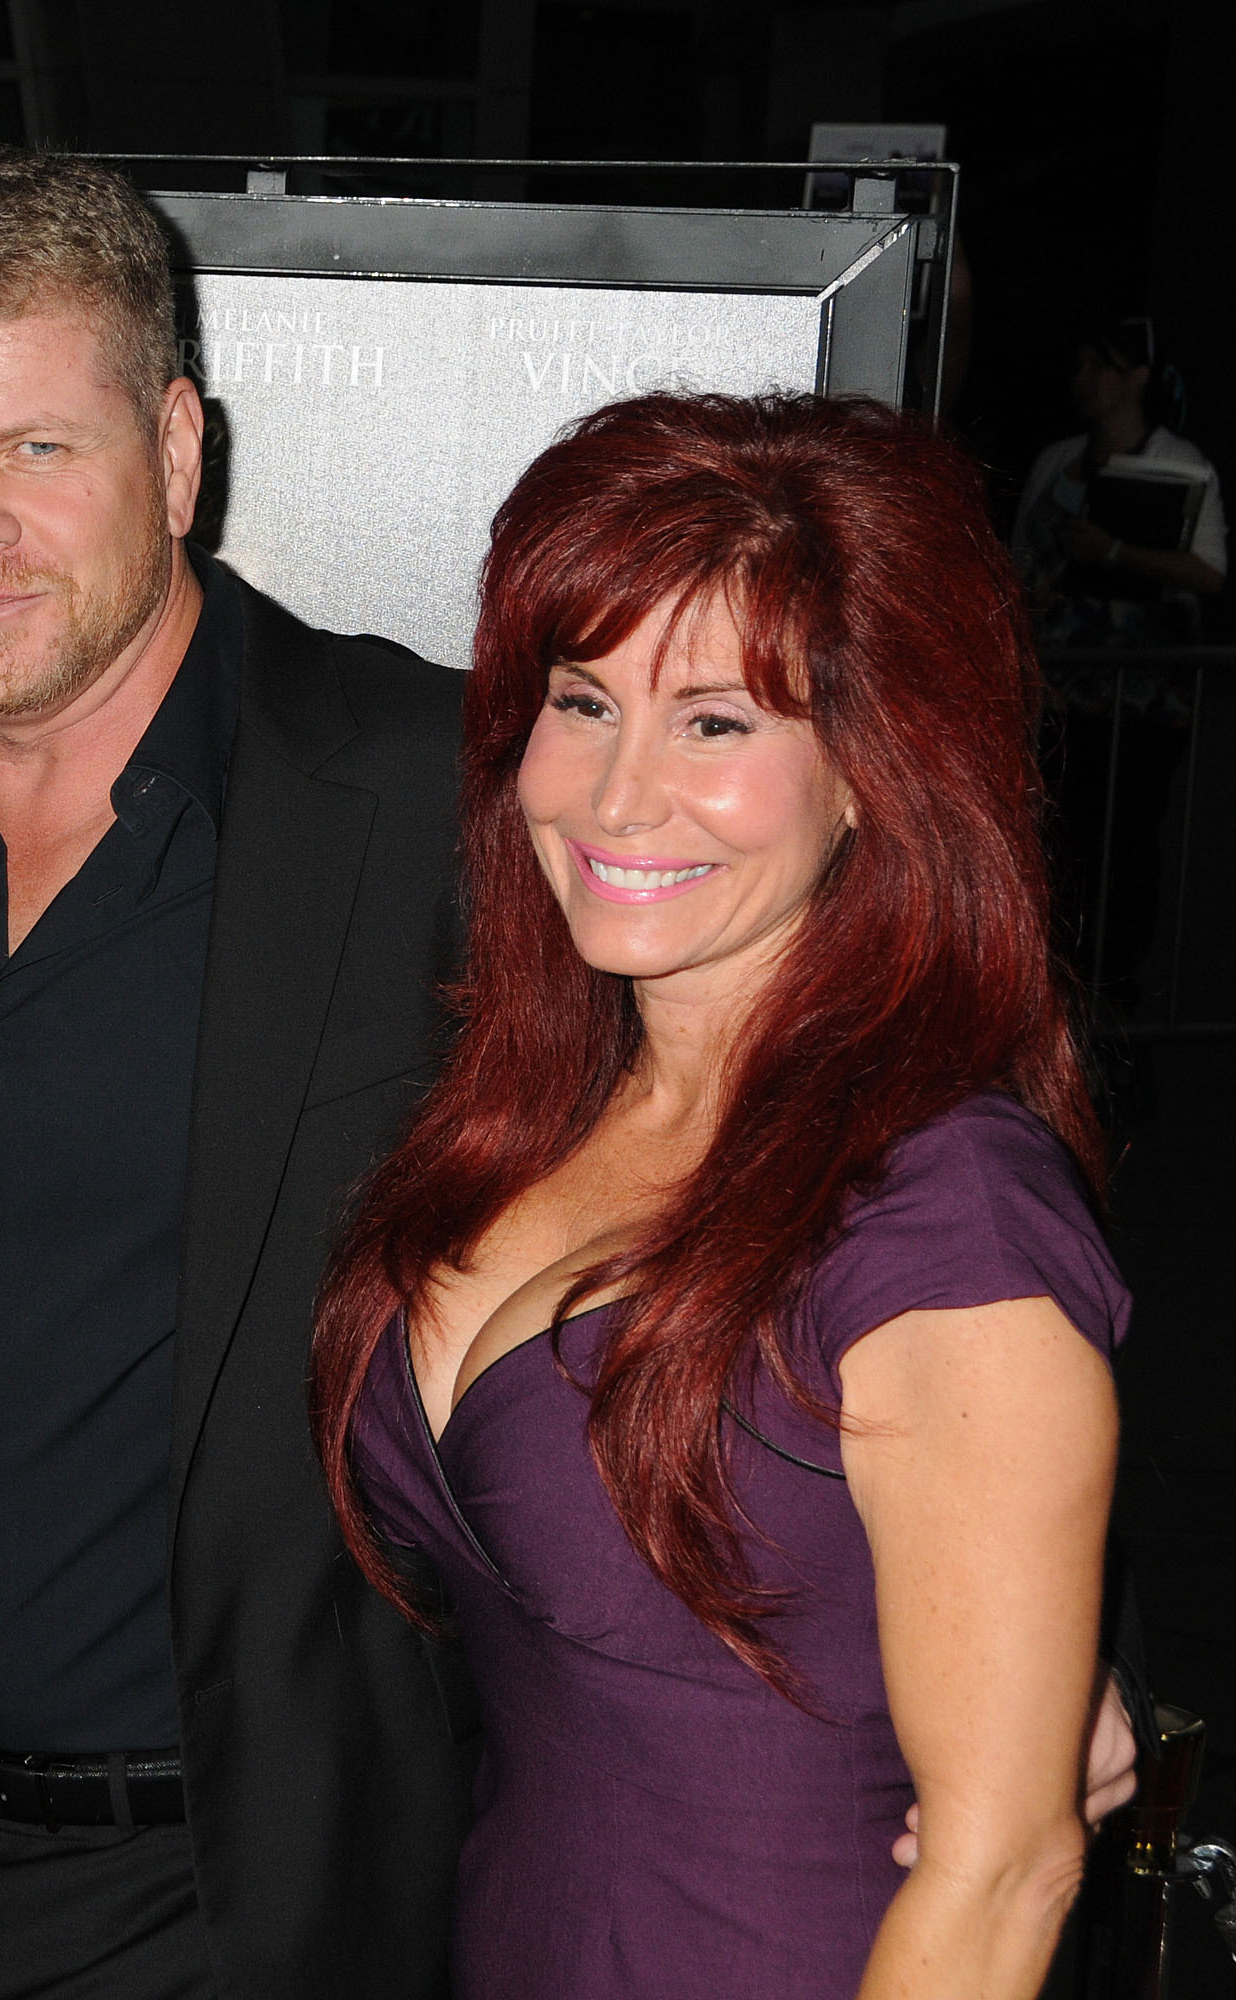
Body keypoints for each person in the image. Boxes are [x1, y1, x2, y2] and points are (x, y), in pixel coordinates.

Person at [0, 148, 475, 2000]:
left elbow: (751, 1163)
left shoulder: (425, 794)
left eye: (37, 450)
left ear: (180, 452)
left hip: (242, 1893)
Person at [312, 392, 1127, 1998]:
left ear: (870, 770)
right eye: (580, 699)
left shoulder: (943, 1210)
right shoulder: (534, 1106)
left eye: (714, 722)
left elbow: (1003, 1871)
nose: (617, 798)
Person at [1011, 316, 1225, 648]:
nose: (1082, 378)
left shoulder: (1180, 463)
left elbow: (1210, 573)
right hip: (1054, 655)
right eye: (1079, 366)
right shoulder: (1055, 459)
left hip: (1141, 663)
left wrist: (1112, 551)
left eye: (1099, 365)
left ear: (1138, 377)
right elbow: (1020, 554)